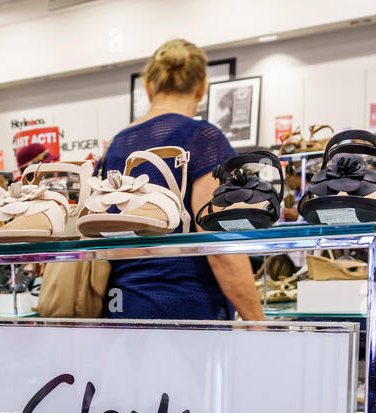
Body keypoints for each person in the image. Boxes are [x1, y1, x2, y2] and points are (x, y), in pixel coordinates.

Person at [101, 39, 265, 322]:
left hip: (120, 305)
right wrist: (256, 321)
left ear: (148, 88)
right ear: (201, 88)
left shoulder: (116, 146)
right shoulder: (202, 138)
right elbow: (218, 244)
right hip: (187, 309)